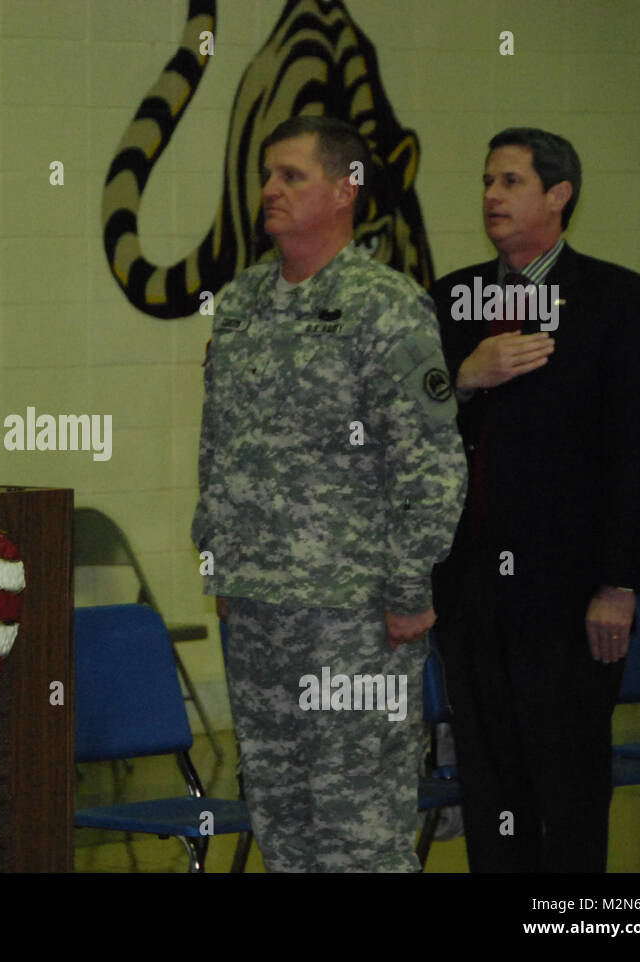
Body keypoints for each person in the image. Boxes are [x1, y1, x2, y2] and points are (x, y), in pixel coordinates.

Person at [192, 116, 467, 872]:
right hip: (256, 607)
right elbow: (218, 445)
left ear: (346, 191)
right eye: (266, 177)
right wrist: (219, 561)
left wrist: (410, 583)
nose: (270, 190)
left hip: (351, 613)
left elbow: (429, 457)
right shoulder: (243, 303)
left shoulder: (386, 306)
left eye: (291, 176)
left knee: (358, 829)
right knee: (282, 824)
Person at [431, 128, 640, 872]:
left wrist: (620, 582)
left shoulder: (617, 299)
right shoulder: (452, 299)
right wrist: (466, 375)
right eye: (486, 181)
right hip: (470, 590)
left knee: (566, 788)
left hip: (570, 597)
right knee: (489, 786)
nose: (491, 197)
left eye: (510, 182)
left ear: (559, 195)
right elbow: (409, 429)